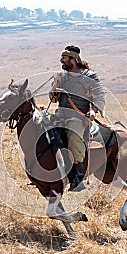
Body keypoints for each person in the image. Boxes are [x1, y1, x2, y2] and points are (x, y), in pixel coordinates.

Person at [49, 45, 106, 191]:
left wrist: (93, 111)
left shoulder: (89, 76)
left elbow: (99, 96)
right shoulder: (63, 76)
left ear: (73, 59)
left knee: (74, 140)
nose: (61, 60)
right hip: (60, 116)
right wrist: (55, 89)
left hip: (78, 118)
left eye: (64, 58)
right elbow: (54, 98)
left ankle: (78, 177)